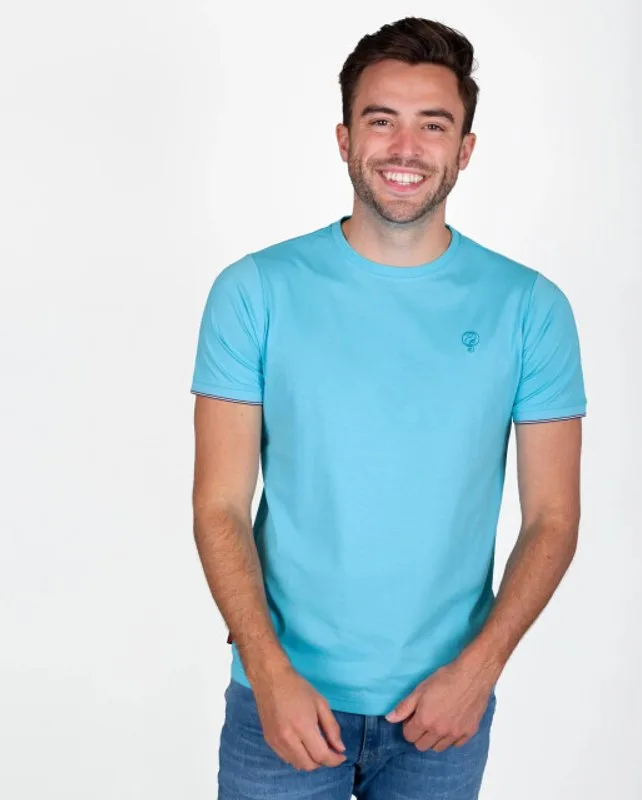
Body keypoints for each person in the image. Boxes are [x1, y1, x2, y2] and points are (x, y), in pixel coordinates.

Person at [191, 16, 587, 800]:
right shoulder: (255, 291)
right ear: (345, 139)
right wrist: (267, 672)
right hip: (283, 701)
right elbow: (219, 505)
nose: (405, 148)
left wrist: (479, 672)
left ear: (464, 149)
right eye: (382, 121)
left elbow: (553, 519)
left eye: (432, 125)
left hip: (442, 709)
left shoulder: (530, 308)